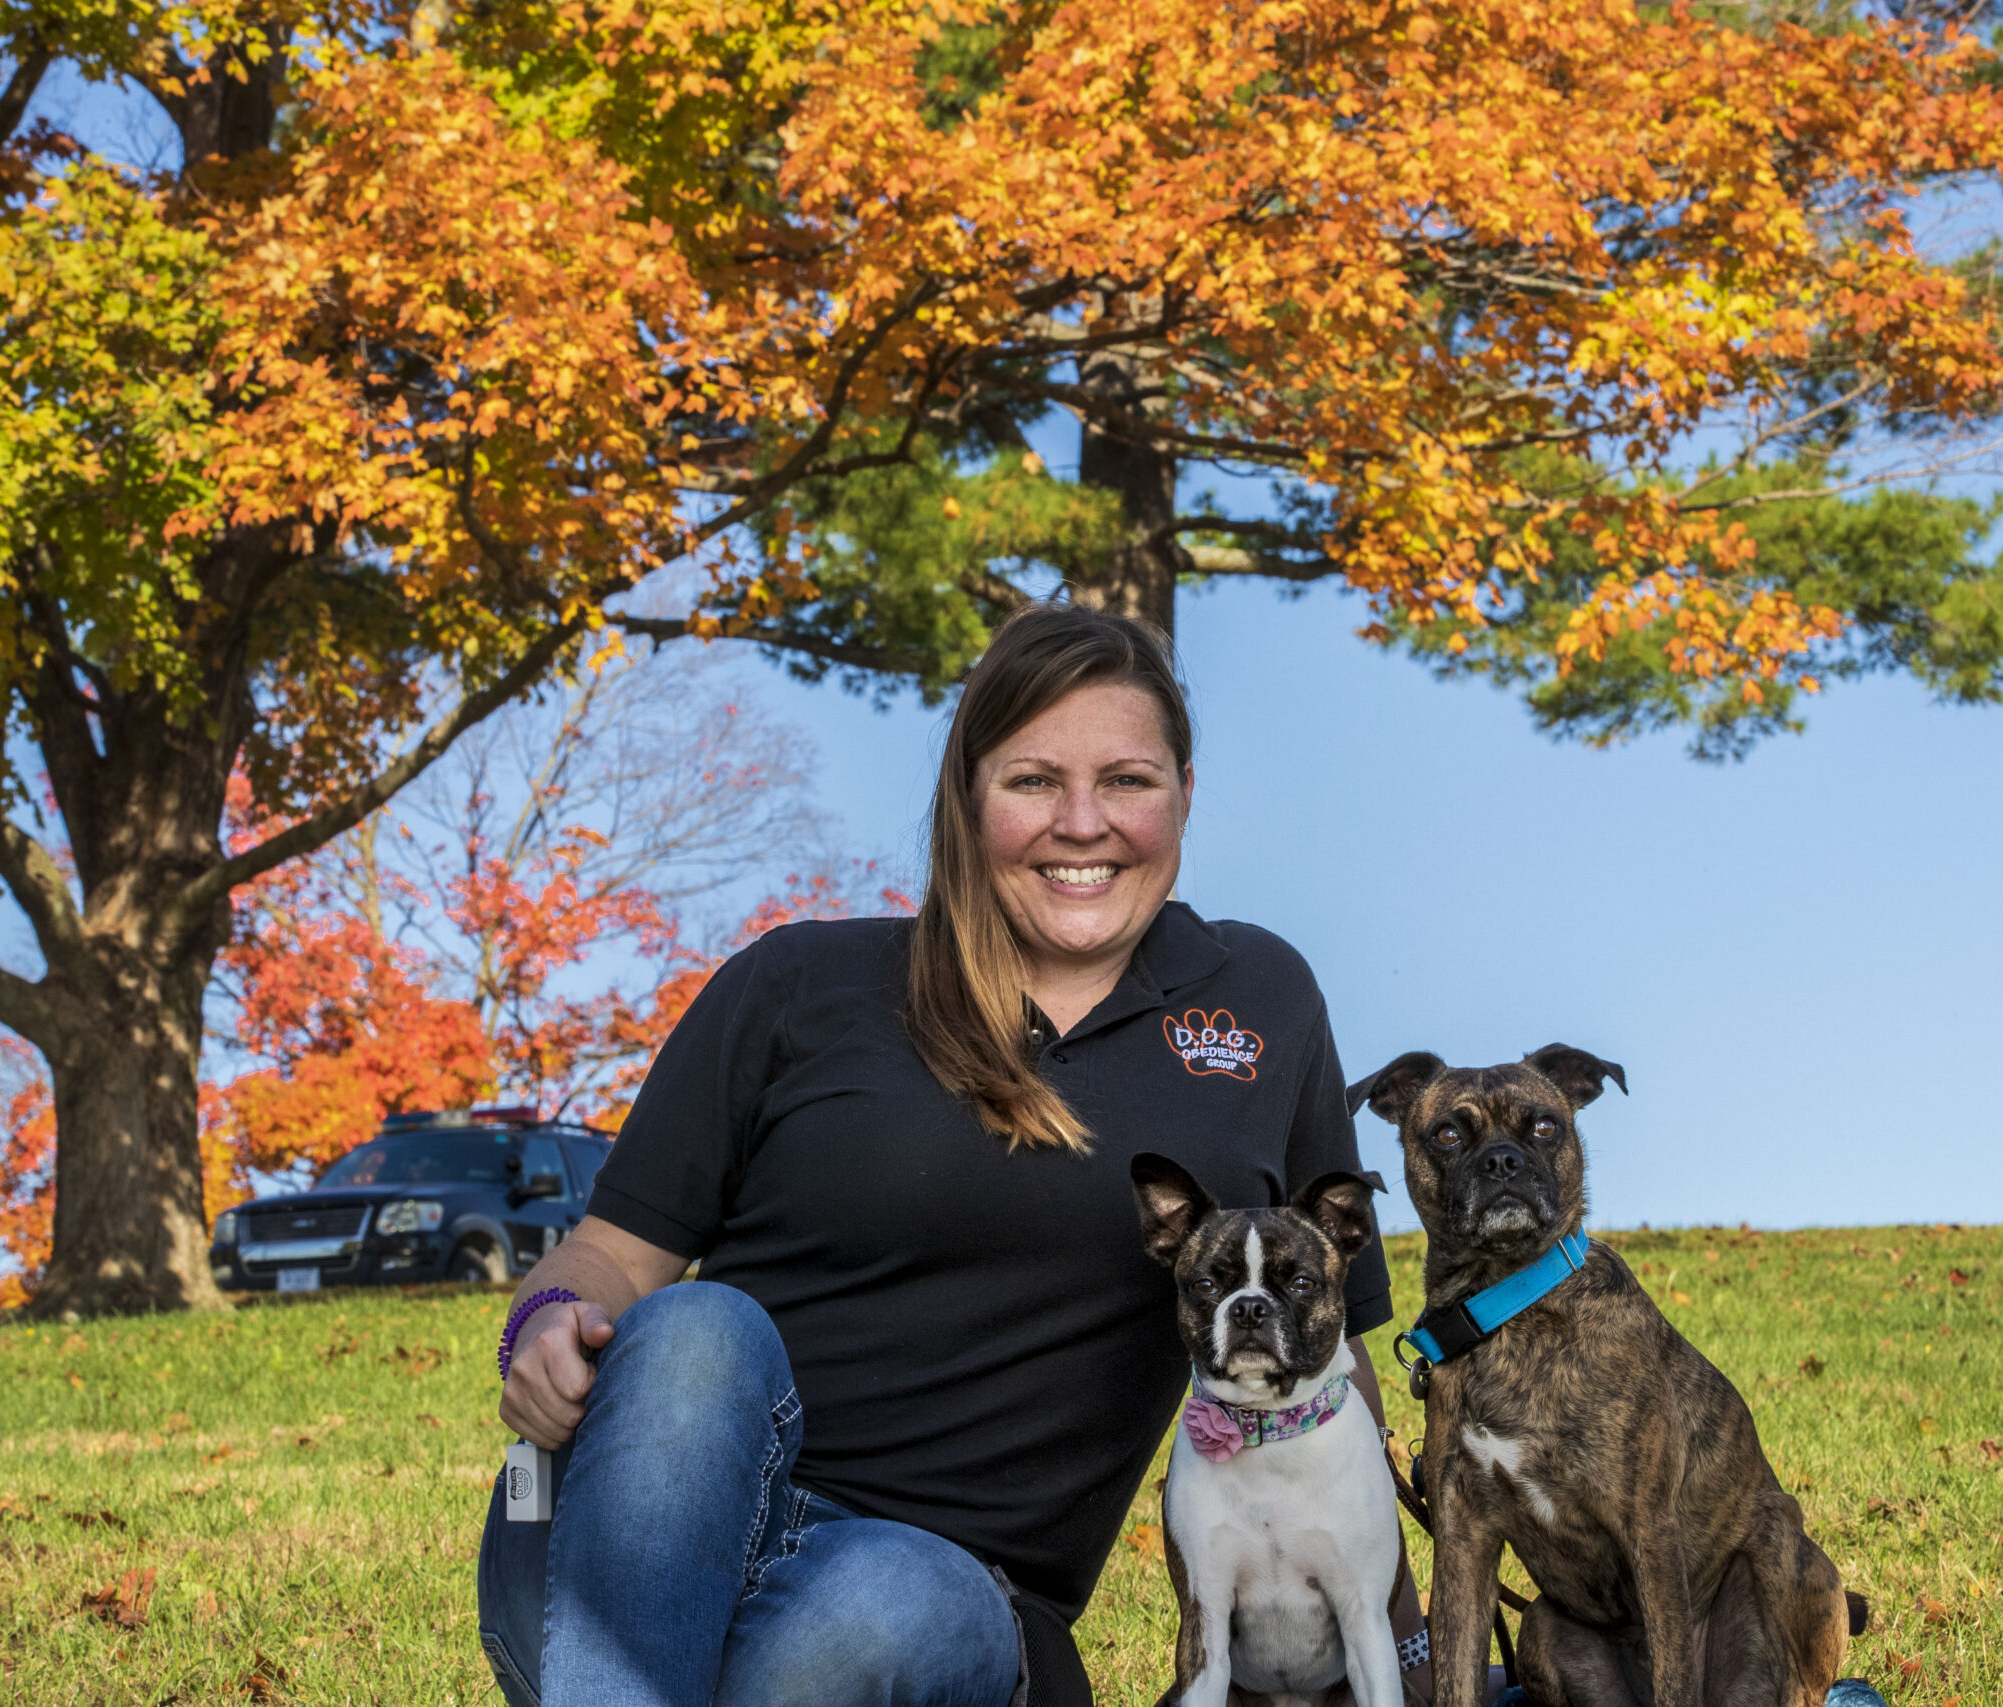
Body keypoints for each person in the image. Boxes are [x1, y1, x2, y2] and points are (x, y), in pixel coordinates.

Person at [476, 603, 1427, 1707]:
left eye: (1127, 780)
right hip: (637, 1543)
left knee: (888, 1598)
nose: (1084, 823)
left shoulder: (1259, 1001)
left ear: (1183, 795)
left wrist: (1411, 1662)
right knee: (696, 1327)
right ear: (966, 799)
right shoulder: (797, 984)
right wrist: (540, 1326)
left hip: (940, 1589)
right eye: (1032, 782)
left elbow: (1336, 1374)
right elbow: (607, 1259)